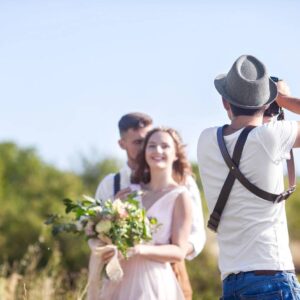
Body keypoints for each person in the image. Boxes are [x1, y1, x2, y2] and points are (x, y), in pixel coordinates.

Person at [197, 54, 300, 299]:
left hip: (231, 280)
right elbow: (257, 137)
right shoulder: (271, 137)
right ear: (267, 103)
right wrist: (283, 100)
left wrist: (269, 107)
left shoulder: (206, 140)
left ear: (225, 102)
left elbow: (244, 137)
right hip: (271, 276)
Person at [93, 112, 206, 299]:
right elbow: (96, 232)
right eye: (141, 143)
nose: (153, 149)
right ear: (122, 144)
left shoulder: (183, 185)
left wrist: (160, 251)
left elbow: (196, 235)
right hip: (120, 275)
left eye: (151, 141)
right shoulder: (114, 184)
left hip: (166, 272)